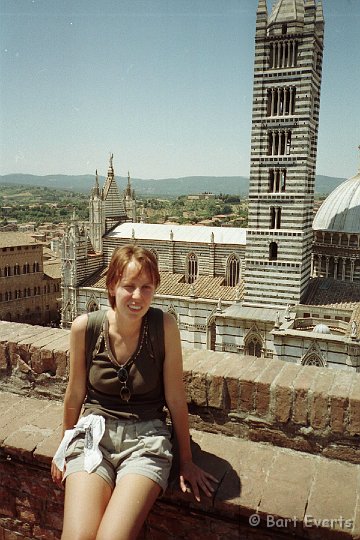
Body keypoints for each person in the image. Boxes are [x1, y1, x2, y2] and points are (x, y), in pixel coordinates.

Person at [51, 244, 217, 540]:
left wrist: (187, 460)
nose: (138, 296)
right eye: (129, 286)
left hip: (146, 442)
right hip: (94, 438)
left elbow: (176, 397)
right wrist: (64, 449)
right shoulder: (85, 328)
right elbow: (75, 393)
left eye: (146, 287)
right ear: (112, 285)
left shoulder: (163, 326)